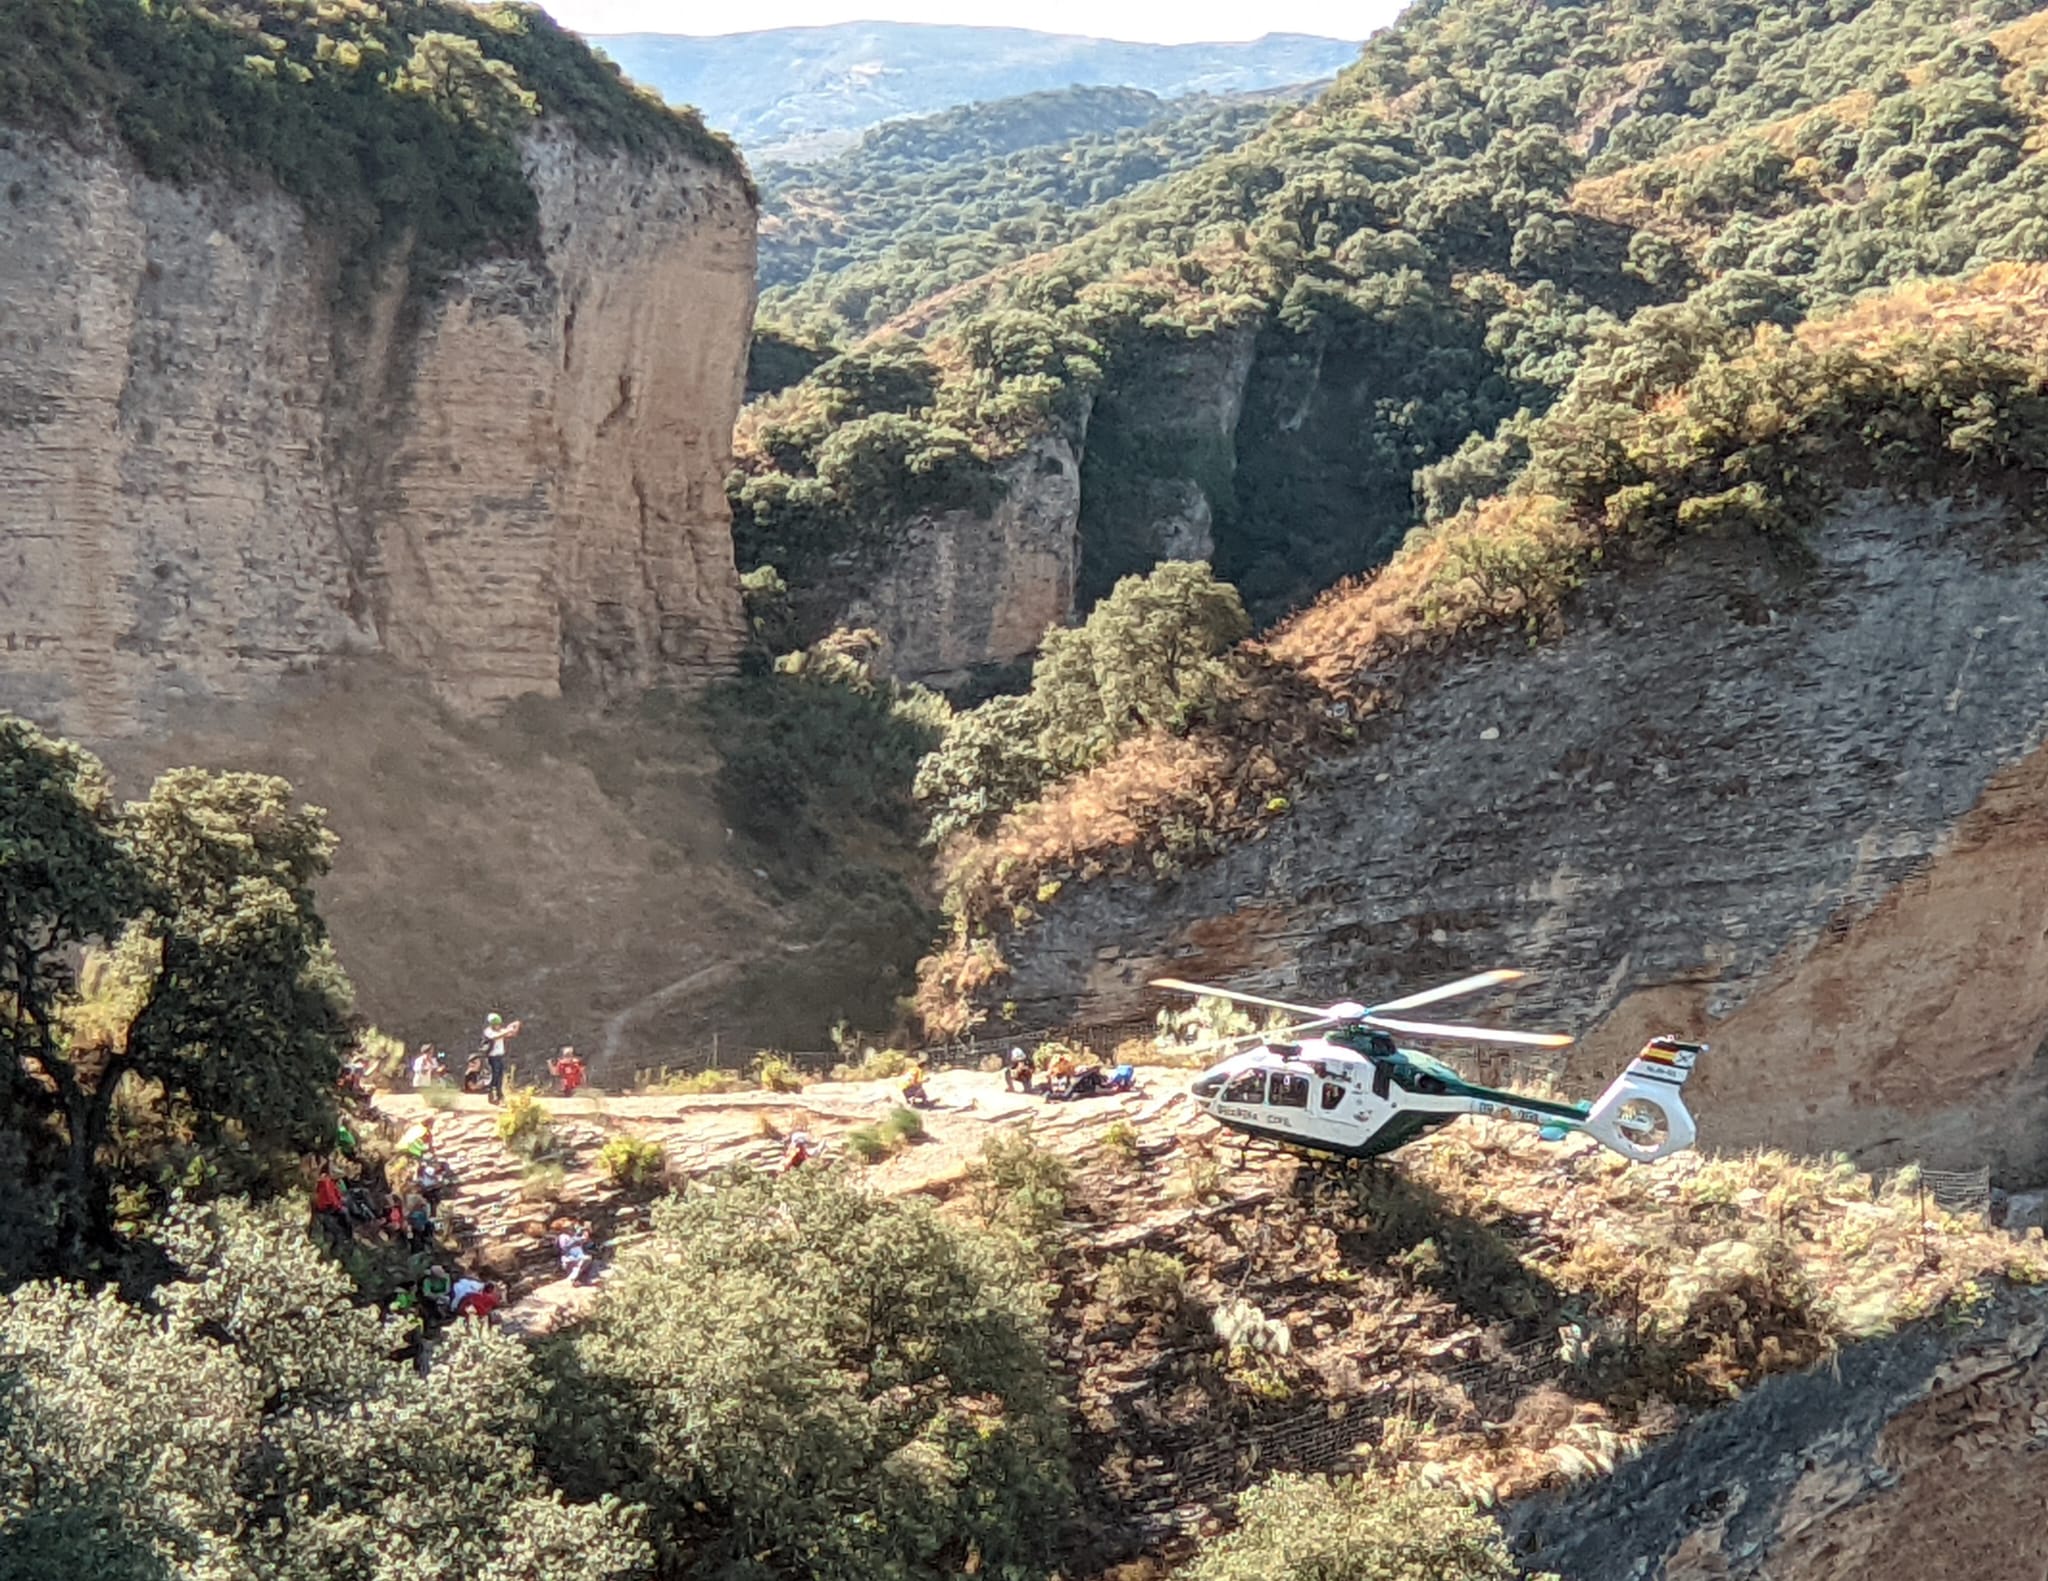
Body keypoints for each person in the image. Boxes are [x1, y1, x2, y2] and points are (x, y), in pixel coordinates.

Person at [482, 1012, 523, 1105]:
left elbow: (512, 1034)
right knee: (494, 1076)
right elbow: (495, 1037)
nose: (498, 1026)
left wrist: (515, 1025)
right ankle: (492, 1094)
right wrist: (507, 1030)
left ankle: (499, 1095)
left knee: (500, 1077)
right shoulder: (488, 1031)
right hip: (492, 1057)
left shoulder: (501, 1031)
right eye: (496, 1024)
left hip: (499, 1057)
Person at [312, 1168, 351, 1246]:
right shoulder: (326, 1182)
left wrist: (340, 1200)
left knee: (346, 1204)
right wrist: (339, 1205)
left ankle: (348, 1233)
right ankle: (348, 1234)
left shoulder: (329, 1181)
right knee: (345, 1212)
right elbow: (331, 1198)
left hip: (331, 1206)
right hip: (327, 1208)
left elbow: (336, 1193)